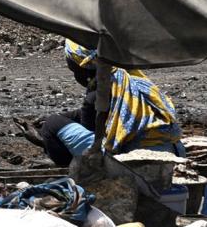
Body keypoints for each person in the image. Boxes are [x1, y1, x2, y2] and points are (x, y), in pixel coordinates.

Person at [37, 41, 182, 162]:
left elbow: (93, 136)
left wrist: (45, 139)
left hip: (133, 156)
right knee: (57, 120)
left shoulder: (99, 90)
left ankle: (71, 169)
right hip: (173, 147)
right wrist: (67, 117)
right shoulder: (128, 77)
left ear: (84, 68)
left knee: (52, 124)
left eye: (73, 69)